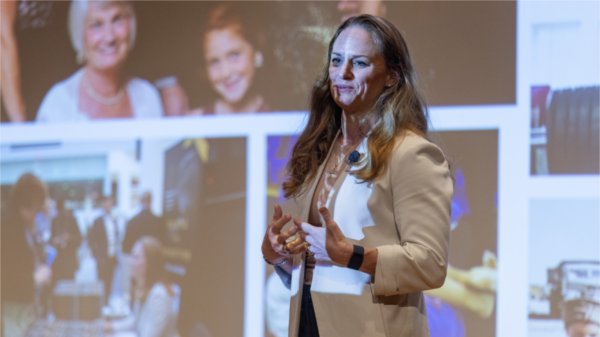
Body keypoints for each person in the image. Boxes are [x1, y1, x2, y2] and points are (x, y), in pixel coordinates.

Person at [261, 15, 453, 337]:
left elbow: (430, 263)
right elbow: (315, 262)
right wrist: (278, 251)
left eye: (359, 63)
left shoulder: (411, 154)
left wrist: (352, 255)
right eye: (336, 61)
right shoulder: (320, 149)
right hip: (308, 321)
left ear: (391, 76)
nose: (343, 73)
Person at [36, 0, 163, 122]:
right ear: (79, 33)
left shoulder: (147, 96)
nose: (109, 37)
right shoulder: (59, 103)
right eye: (96, 25)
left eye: (117, 20)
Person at [191, 4, 269, 115]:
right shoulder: (196, 122)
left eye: (234, 56)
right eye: (214, 62)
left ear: (257, 54)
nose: (225, 73)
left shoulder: (281, 119)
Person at [1, 173, 52, 336]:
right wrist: (36, 278)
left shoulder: (25, 226)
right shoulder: (7, 228)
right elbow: (7, 279)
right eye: (36, 209)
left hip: (26, 308)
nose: (37, 214)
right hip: (12, 310)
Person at [105, 236, 178, 337]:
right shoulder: (144, 288)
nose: (131, 262)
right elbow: (136, 321)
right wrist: (111, 327)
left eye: (136, 257)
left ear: (150, 263)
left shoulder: (159, 295)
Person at [88, 195, 121, 304]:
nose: (108, 205)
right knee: (101, 283)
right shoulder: (97, 221)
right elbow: (91, 240)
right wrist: (96, 256)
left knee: (110, 283)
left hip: (112, 257)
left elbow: (116, 239)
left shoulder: (114, 220)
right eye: (106, 203)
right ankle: (100, 305)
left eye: (110, 203)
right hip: (102, 258)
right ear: (103, 205)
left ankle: (106, 304)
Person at [50, 197, 83, 281]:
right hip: (57, 261)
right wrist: (55, 240)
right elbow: (50, 241)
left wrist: (69, 238)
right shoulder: (54, 221)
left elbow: (79, 239)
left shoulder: (72, 220)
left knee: (69, 287)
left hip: (69, 259)